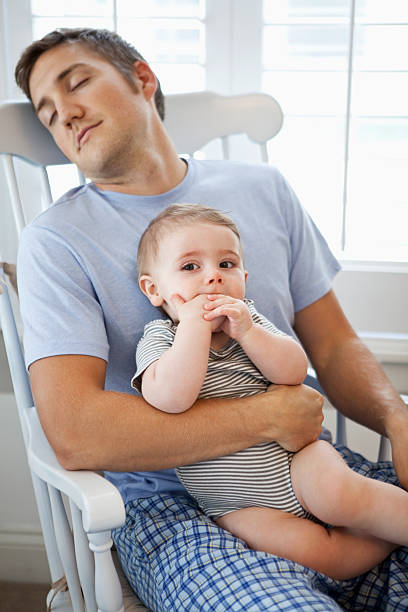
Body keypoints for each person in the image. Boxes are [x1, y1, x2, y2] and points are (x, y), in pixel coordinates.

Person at [14, 27, 408, 611]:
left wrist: (397, 420)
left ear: (142, 79)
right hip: (179, 505)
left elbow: (332, 346)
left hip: (308, 461)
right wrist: (268, 413)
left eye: (78, 84)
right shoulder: (55, 240)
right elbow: (74, 432)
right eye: (47, 114)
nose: (65, 115)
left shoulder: (264, 188)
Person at [133, 202, 407, 580]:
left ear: (244, 276)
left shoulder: (250, 322)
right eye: (190, 267)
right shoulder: (160, 338)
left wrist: (248, 332)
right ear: (154, 289)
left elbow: (294, 370)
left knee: (342, 497)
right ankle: (387, 538)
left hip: (298, 463)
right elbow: (170, 398)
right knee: (324, 558)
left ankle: (394, 520)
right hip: (236, 505)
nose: (213, 277)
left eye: (226, 265)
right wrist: (193, 327)